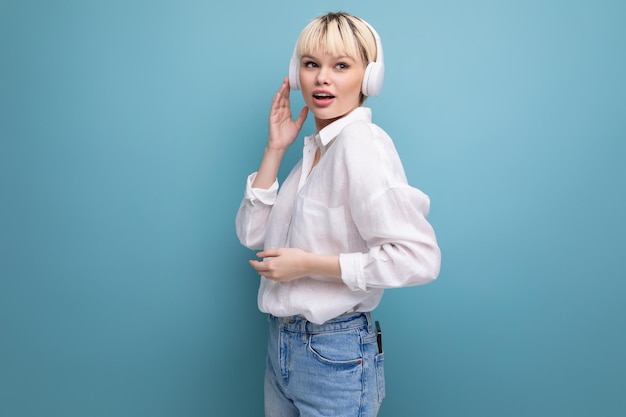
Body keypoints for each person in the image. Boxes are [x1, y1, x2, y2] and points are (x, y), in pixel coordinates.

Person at [235, 11, 441, 417]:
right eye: (311, 65)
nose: (321, 78)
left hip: (333, 351)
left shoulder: (362, 144)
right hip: (284, 345)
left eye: (341, 66)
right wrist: (275, 150)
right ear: (297, 74)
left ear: (369, 79)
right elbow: (250, 233)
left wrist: (309, 265)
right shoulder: (313, 153)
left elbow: (419, 258)